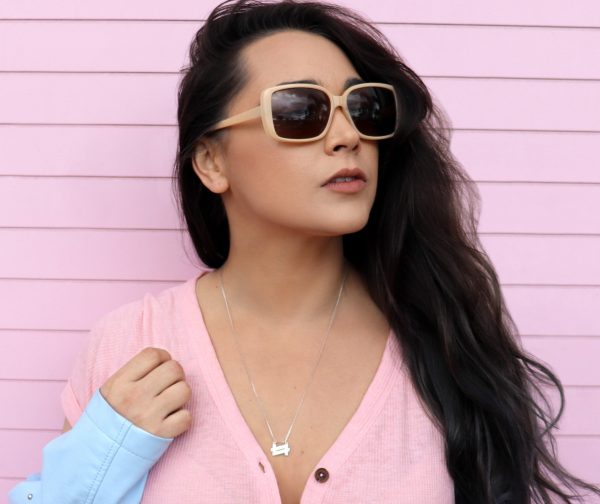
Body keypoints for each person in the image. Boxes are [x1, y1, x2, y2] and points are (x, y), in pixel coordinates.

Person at [9, 0, 600, 503]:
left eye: (363, 109)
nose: (348, 137)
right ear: (212, 162)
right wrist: (98, 458)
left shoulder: (443, 341)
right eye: (300, 111)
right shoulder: (130, 346)